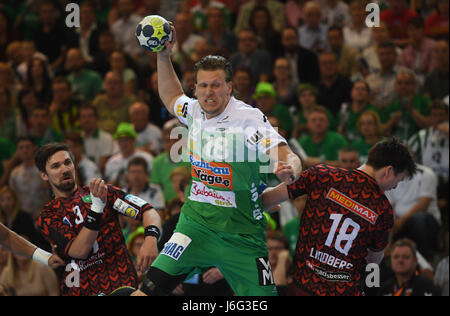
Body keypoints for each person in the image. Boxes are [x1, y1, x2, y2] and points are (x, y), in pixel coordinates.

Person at [132, 24, 301, 296]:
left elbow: (283, 151)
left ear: (229, 87)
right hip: (195, 227)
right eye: (203, 85)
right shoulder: (194, 110)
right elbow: (172, 96)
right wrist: (163, 55)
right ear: (196, 88)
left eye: (216, 85)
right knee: (149, 289)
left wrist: (289, 166)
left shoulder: (248, 119)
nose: (209, 92)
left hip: (242, 237)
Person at [261, 137, 417, 296]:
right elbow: (373, 261)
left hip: (302, 287)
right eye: (399, 180)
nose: (395, 186)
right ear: (389, 171)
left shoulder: (322, 174)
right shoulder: (383, 210)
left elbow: (266, 199)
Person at [35, 142, 161, 296]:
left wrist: (151, 240)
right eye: (55, 166)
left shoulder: (102, 192)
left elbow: (148, 211)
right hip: (80, 289)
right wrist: (97, 208)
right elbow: (79, 250)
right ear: (44, 175)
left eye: (67, 163)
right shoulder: (48, 216)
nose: (65, 169)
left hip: (120, 282)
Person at [385, 163, 442, 263]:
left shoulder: (426, 174)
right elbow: (390, 205)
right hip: (399, 222)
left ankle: (427, 260)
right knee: (383, 218)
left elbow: (423, 205)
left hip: (426, 222)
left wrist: (400, 222)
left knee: (419, 218)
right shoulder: (389, 176)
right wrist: (393, 221)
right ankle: (386, 262)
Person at [8, 137, 50, 219]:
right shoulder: (14, 173)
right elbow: (12, 197)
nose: (24, 150)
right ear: (17, 151)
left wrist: (44, 211)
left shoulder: (43, 170)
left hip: (43, 216)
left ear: (34, 148)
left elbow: (51, 194)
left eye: (27, 147)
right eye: (21, 148)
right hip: (21, 217)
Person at [104, 122, 153, 187]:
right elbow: (107, 184)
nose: (124, 143)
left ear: (133, 140)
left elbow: (152, 182)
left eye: (127, 139)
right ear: (117, 142)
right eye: (121, 140)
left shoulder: (147, 158)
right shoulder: (111, 162)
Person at [78, 103, 118, 173]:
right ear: (79, 120)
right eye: (83, 117)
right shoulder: (77, 139)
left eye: (90, 116)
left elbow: (101, 167)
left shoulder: (106, 138)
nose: (86, 120)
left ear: (97, 119)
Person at [316, 52, 353, 116]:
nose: (328, 66)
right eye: (324, 64)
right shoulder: (315, 87)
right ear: (319, 67)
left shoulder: (348, 85)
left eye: (331, 63)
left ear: (337, 65)